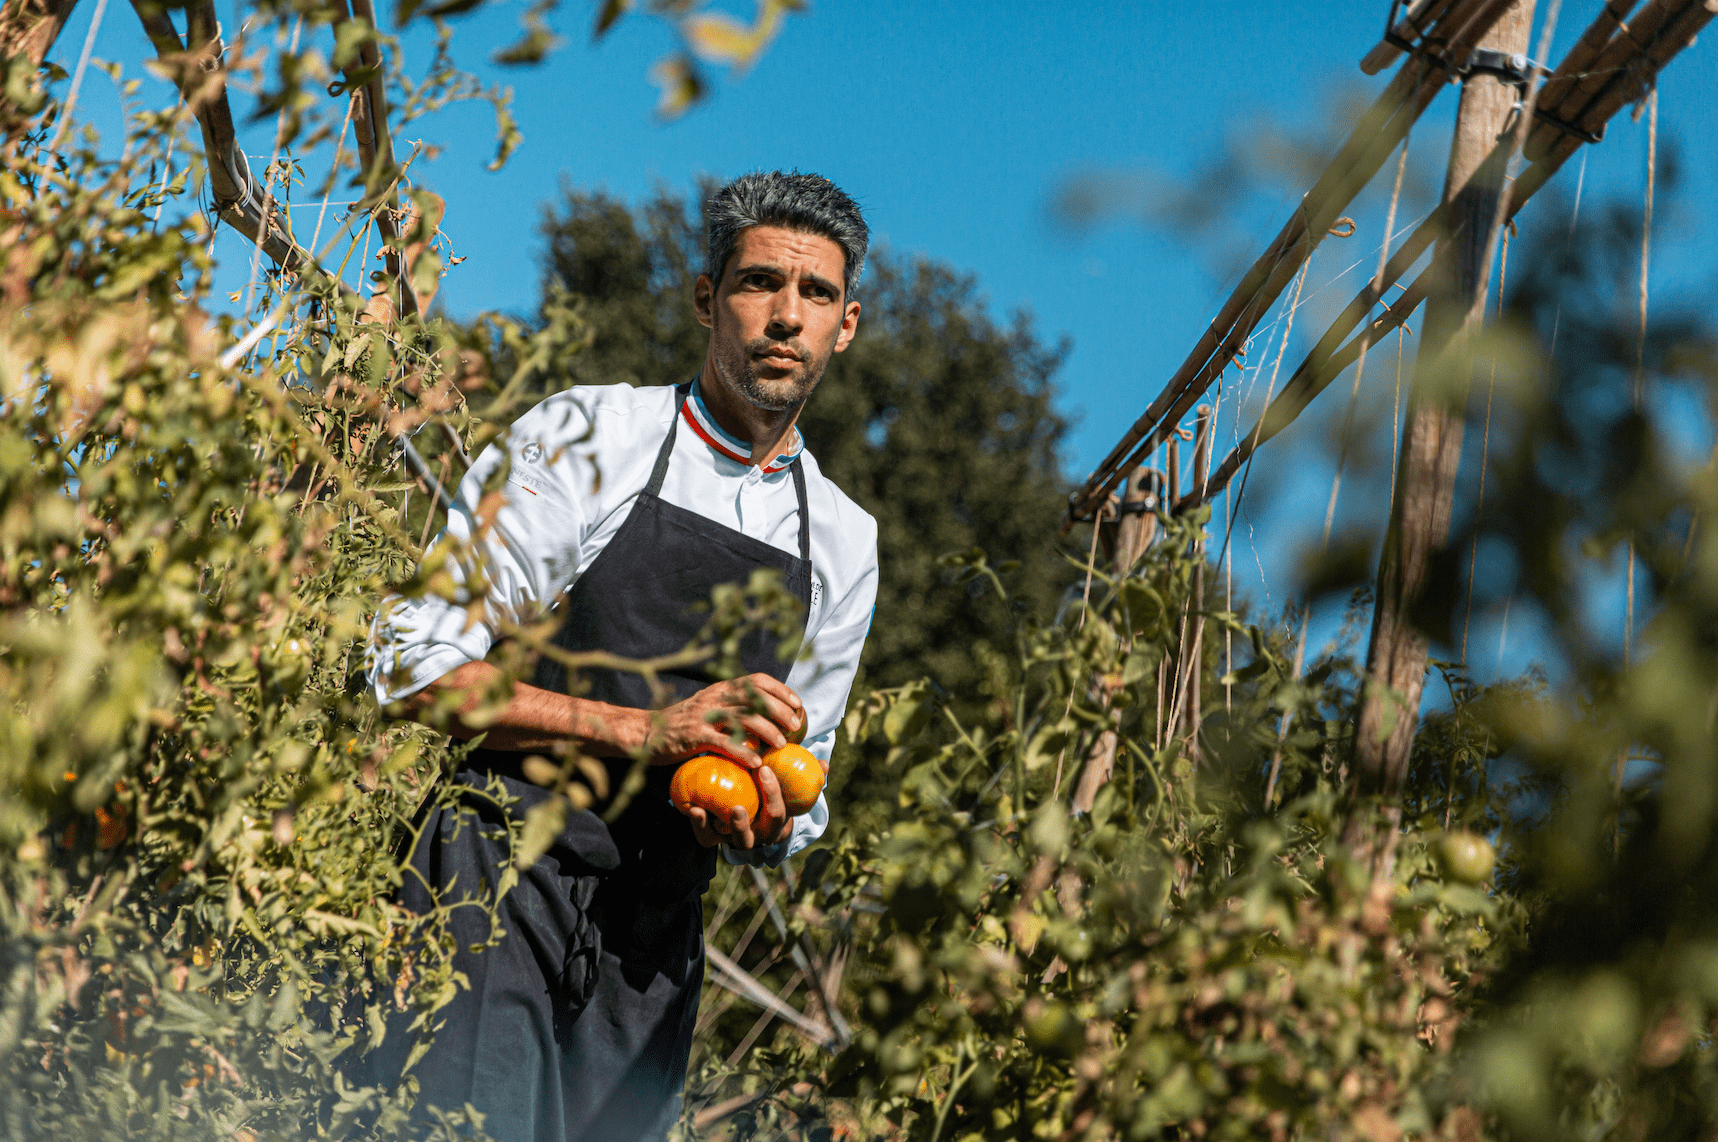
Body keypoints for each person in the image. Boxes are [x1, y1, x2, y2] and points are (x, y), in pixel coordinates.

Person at [364, 171, 879, 1141]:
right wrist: (645, 729)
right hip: (500, 882)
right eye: (758, 282)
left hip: (651, 946)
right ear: (705, 298)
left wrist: (768, 816)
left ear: (845, 325)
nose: (784, 315)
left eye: (814, 295)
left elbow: (809, 778)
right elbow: (410, 661)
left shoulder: (845, 540)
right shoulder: (591, 434)